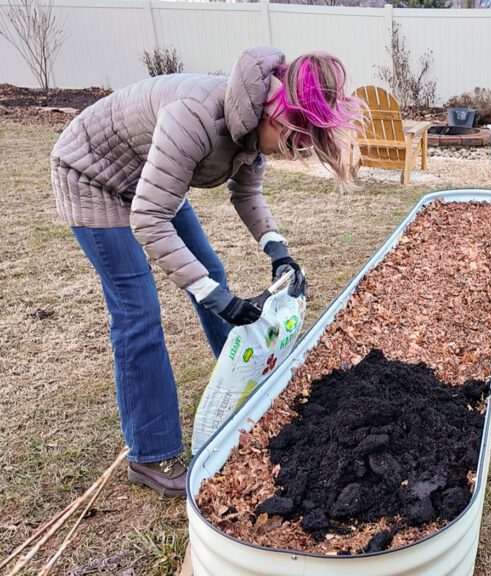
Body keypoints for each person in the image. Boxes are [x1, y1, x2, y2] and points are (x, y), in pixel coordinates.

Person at [50, 47, 363, 497]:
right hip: (93, 175)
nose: (295, 152)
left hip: (149, 176)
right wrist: (212, 295)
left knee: (211, 272)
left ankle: (244, 386)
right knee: (138, 313)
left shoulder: (254, 119)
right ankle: (150, 454)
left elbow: (247, 192)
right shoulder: (196, 117)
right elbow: (149, 219)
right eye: (294, 141)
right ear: (275, 116)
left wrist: (279, 251)